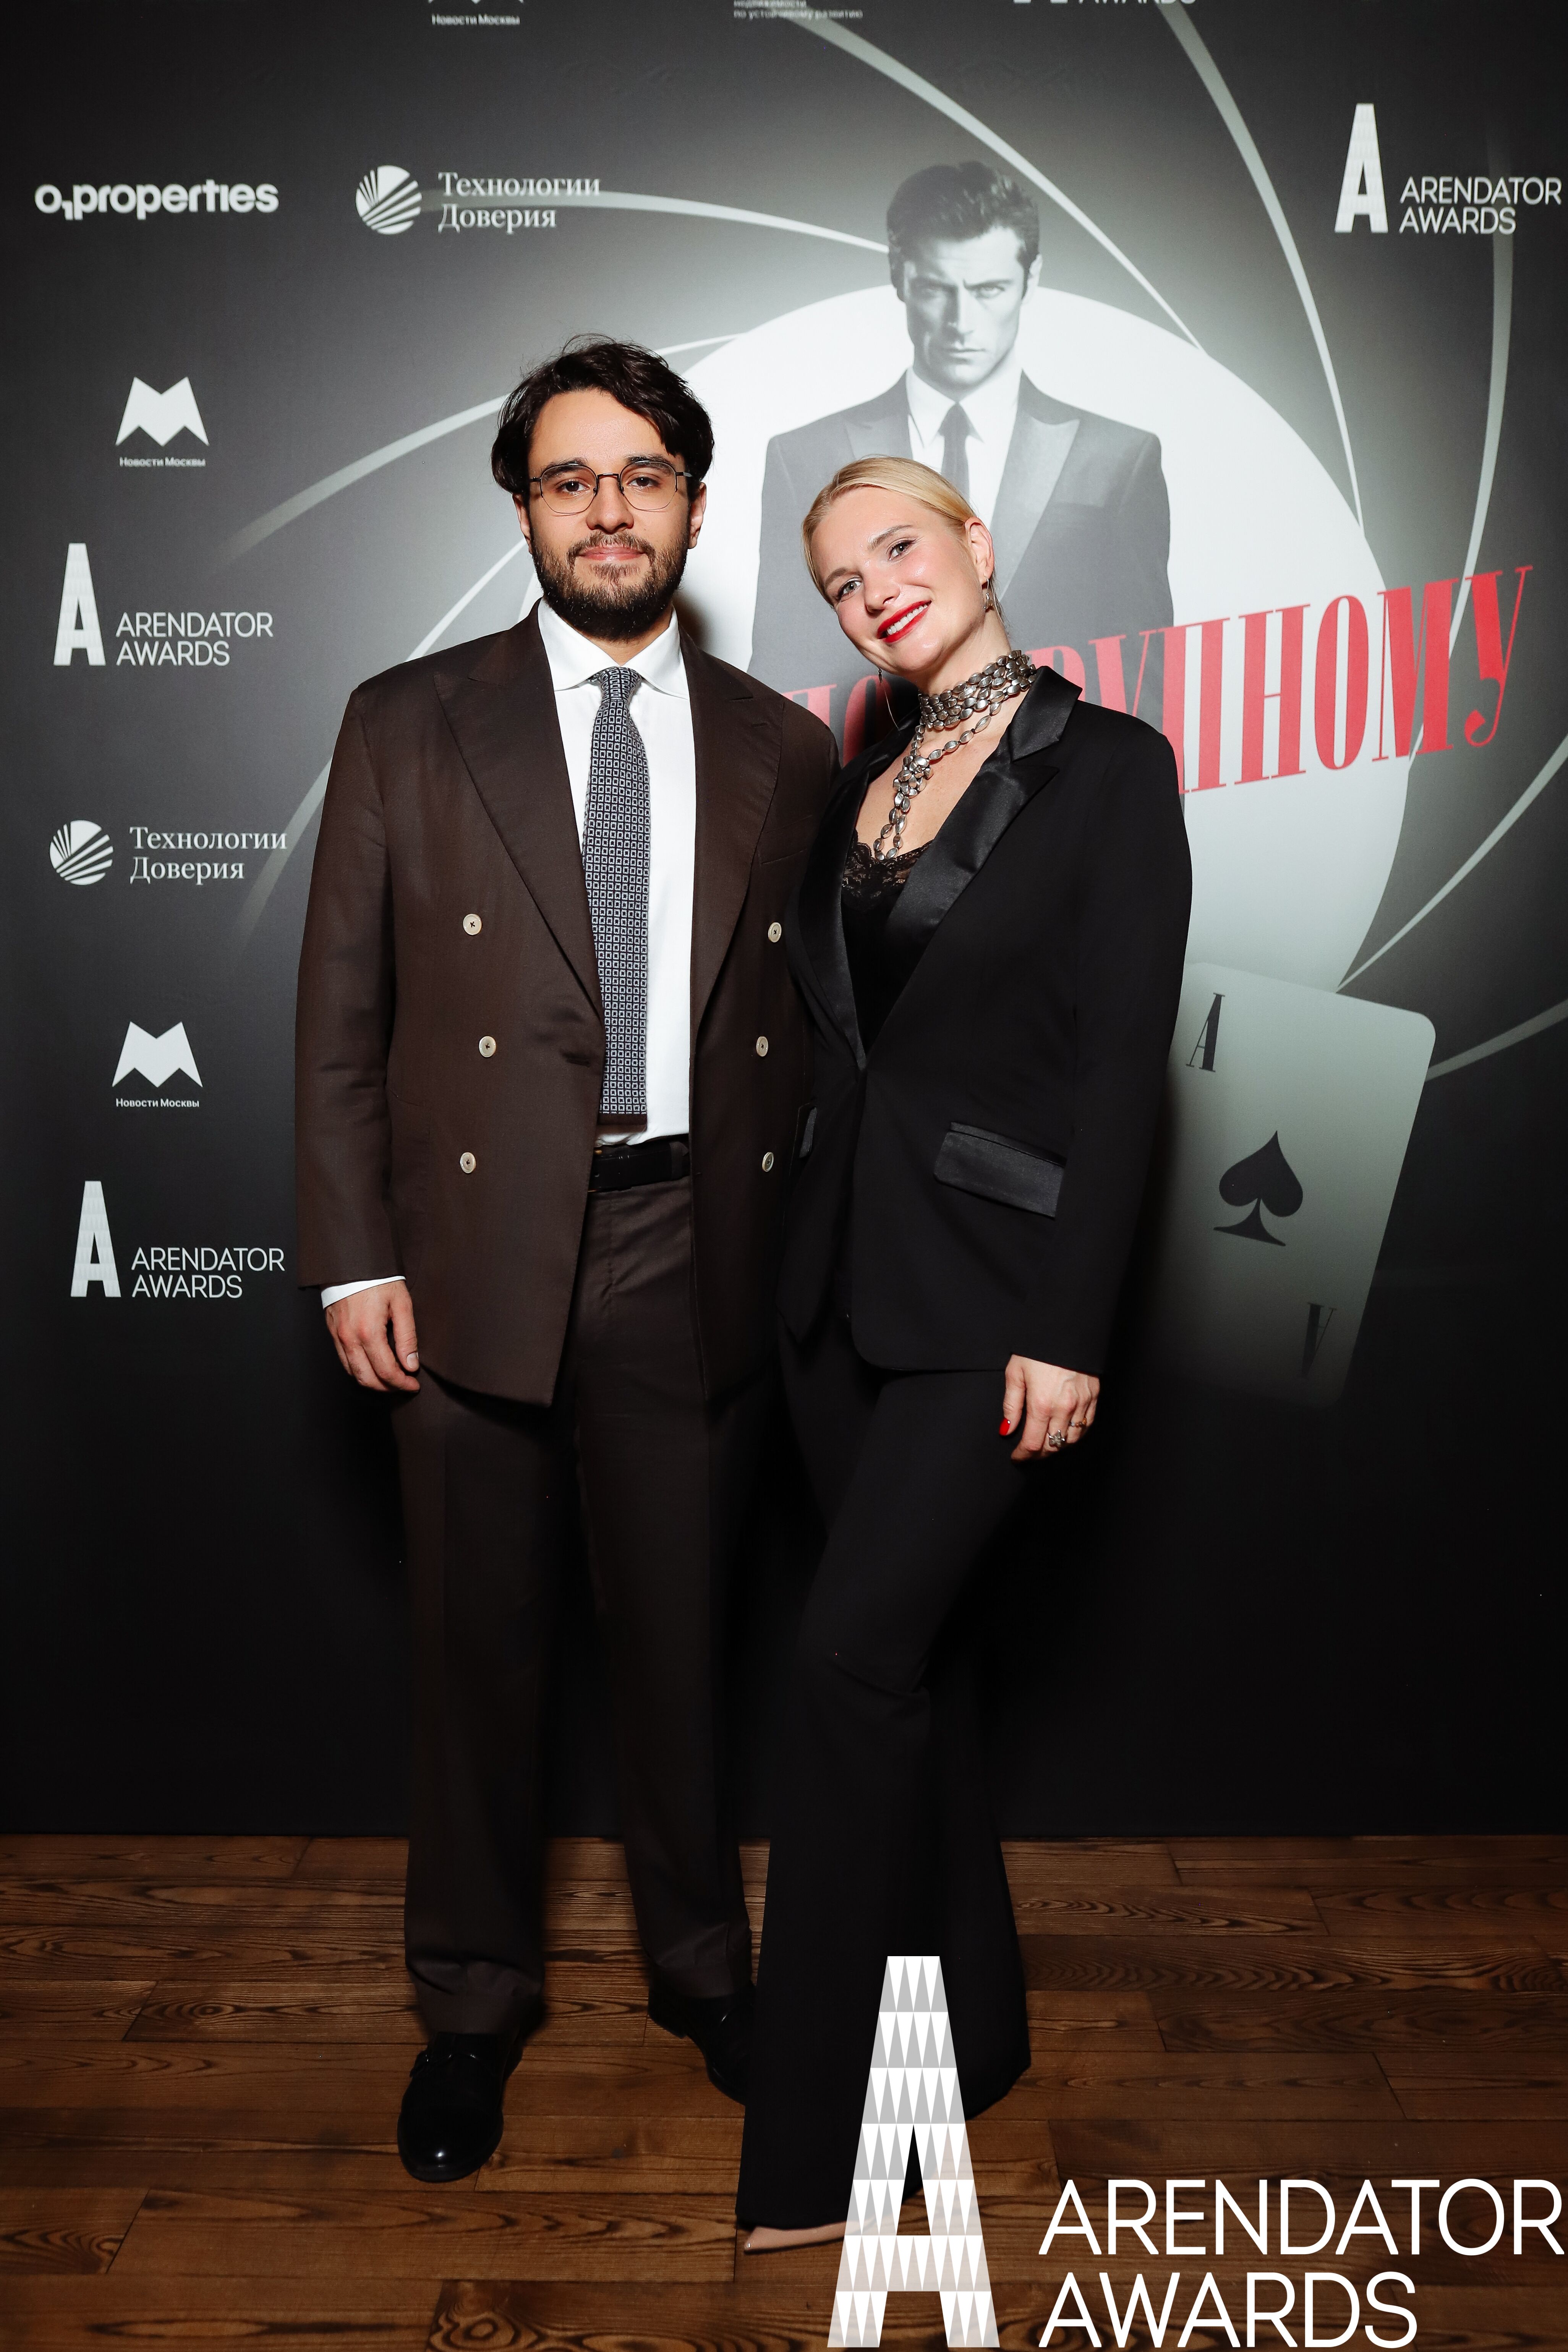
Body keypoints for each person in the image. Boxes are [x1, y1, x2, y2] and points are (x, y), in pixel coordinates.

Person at [295, 337, 837, 2185]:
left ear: (693, 499)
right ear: (523, 507)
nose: (609, 509)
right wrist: (352, 1256)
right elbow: (343, 1011)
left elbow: (813, 1032)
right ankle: (470, 2005)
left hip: (696, 1237)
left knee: (684, 1642)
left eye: (642, 475)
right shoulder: (406, 717)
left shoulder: (784, 743)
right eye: (569, 477)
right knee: (477, 1651)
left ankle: (703, 1969)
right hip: (469, 1247)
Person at [735, 457, 1191, 2245]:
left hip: (997, 1310)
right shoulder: (862, 788)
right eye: (842, 581)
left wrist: (1070, 1331)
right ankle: (975, 2031)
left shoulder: (1109, 770)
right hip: (838, 1299)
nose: (877, 592)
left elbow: (1123, 1067)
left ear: (979, 546)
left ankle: (819, 2143)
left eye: (900, 548)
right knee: (916, 1680)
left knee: (850, 1666)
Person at [748, 161, 1172, 736]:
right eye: (935, 289)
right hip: (882, 779)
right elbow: (777, 688)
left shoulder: (1118, 457)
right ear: (899, 279)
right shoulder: (801, 456)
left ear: (1031, 279)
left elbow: (1146, 684)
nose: (961, 322)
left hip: (1077, 776)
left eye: (989, 290)